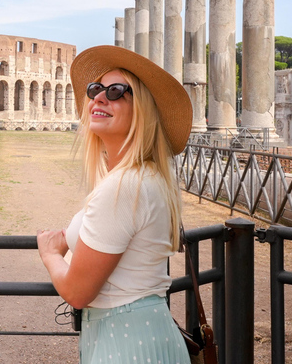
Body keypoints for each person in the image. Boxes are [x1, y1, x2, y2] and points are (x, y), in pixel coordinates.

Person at [36, 45, 193, 364]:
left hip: (124, 344)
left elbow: (78, 292)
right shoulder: (147, 178)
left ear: (144, 111)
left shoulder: (124, 187)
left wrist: (50, 253)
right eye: (95, 89)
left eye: (117, 91)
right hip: (147, 334)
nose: (99, 97)